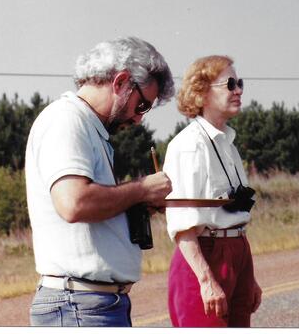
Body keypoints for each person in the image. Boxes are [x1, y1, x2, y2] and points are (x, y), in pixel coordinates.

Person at [25, 36, 175, 327]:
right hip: (79, 306)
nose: (139, 119)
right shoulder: (67, 120)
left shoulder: (90, 128)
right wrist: (142, 188)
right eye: (141, 105)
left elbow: (90, 207)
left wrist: (138, 203)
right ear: (120, 82)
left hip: (92, 305)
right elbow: (74, 203)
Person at [163, 55, 262, 327]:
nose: (238, 90)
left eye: (239, 83)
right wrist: (206, 281)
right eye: (230, 84)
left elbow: (235, 212)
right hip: (204, 259)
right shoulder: (188, 146)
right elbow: (182, 226)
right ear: (202, 93)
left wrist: (247, 276)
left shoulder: (228, 144)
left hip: (238, 250)